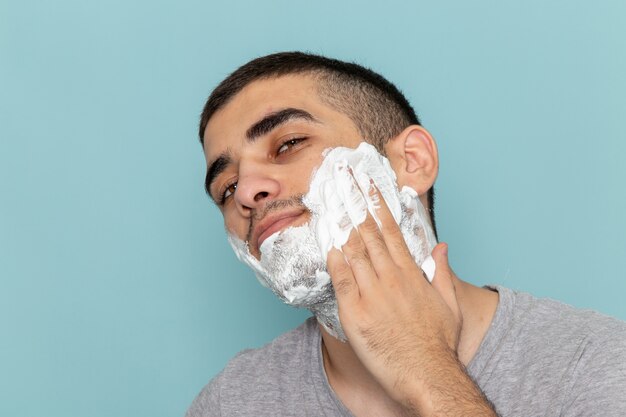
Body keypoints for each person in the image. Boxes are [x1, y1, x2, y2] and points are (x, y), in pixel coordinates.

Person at [187, 52, 626, 417]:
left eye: (287, 144)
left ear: (411, 162)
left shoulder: (595, 363)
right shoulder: (231, 403)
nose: (245, 192)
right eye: (225, 188)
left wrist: (427, 371)